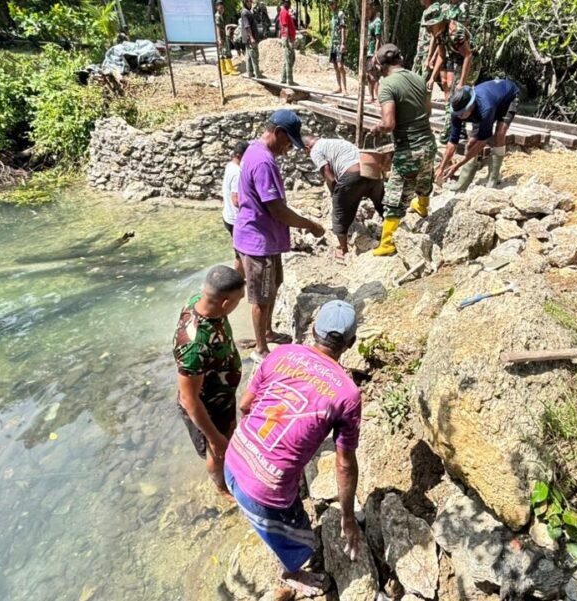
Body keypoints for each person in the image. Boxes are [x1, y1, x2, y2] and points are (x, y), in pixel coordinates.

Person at [224, 300, 363, 596]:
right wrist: (348, 519)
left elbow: (245, 405)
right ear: (350, 343)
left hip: (232, 457)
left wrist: (262, 449)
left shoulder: (282, 353)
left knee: (277, 503)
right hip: (265, 491)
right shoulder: (347, 394)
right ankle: (291, 572)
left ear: (313, 331)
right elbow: (344, 464)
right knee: (302, 542)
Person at [233, 110, 325, 361]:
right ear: (278, 132)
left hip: (265, 236)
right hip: (258, 240)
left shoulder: (254, 150)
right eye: (288, 142)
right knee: (261, 298)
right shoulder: (264, 161)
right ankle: (261, 349)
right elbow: (278, 210)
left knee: (273, 285)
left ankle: (268, 332)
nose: (288, 148)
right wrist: (310, 225)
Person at [173, 265, 246, 497]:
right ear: (225, 303)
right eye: (239, 300)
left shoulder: (200, 301)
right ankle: (222, 488)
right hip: (207, 407)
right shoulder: (194, 347)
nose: (239, 304)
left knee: (228, 436)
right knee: (217, 451)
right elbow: (189, 399)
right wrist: (214, 438)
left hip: (221, 396)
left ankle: (231, 466)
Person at [367, 44, 435, 256]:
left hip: (409, 149)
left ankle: (387, 243)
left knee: (394, 196)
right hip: (428, 143)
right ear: (401, 58)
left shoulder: (387, 85)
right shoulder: (419, 79)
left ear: (380, 65)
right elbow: (428, 111)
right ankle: (422, 207)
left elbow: (389, 123)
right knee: (424, 180)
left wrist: (378, 128)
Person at [305, 135, 385, 258]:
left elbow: (329, 176)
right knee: (382, 206)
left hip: (352, 175)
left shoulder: (315, 150)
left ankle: (343, 250)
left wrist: (335, 194)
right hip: (371, 172)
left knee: (339, 213)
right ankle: (394, 232)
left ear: (307, 148)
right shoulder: (338, 141)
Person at [436, 80, 522, 191]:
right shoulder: (456, 112)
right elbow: (452, 142)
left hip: (508, 97)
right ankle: (463, 182)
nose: (459, 117)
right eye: (457, 114)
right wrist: (442, 167)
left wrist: (457, 165)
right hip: (490, 101)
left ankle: (493, 178)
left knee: (500, 134)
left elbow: (482, 141)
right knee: (471, 143)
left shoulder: (485, 109)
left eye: (462, 114)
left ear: (470, 106)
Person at [423, 2, 479, 142]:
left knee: (457, 94)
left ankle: (452, 131)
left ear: (439, 22)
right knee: (451, 92)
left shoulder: (455, 32)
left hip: (470, 61)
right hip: (457, 58)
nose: (429, 29)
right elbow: (442, 56)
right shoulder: (440, 34)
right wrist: (432, 77)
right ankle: (457, 129)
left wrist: (461, 82)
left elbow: (468, 56)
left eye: (431, 25)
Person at [222, 141, 249, 275]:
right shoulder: (237, 172)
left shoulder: (229, 166)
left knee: (239, 252)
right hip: (235, 219)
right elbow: (236, 200)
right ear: (239, 156)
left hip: (227, 216)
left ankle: (239, 278)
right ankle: (239, 279)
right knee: (242, 253)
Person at [410, 0, 436, 78]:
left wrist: (430, 56)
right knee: (413, 77)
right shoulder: (425, 11)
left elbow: (434, 35)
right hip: (420, 50)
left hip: (427, 51)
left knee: (424, 79)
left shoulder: (434, 10)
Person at [328, 0, 347, 95]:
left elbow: (343, 28)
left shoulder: (340, 14)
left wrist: (343, 43)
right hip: (333, 44)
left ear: (336, 3)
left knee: (340, 66)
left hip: (339, 43)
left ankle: (344, 88)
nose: (331, 5)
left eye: (332, 3)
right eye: (330, 4)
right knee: (335, 65)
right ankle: (339, 86)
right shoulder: (333, 15)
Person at [364, 4, 382, 102]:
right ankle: (371, 97)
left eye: (368, 10)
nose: (367, 13)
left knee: (373, 76)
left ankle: (379, 99)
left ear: (373, 9)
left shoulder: (377, 21)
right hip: (367, 52)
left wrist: (376, 53)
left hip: (372, 53)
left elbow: (378, 39)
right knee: (368, 75)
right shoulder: (369, 21)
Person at [241, 0, 262, 78]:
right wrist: (252, 38)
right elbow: (247, 26)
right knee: (254, 55)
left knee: (249, 56)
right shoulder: (245, 12)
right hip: (250, 39)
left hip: (248, 38)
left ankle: (250, 72)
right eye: (249, 2)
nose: (251, 3)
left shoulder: (248, 12)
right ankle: (257, 74)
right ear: (245, 2)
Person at [278, 0, 298, 86]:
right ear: (284, 3)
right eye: (287, 2)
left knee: (288, 58)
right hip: (287, 38)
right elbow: (285, 27)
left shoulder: (286, 12)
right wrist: (289, 39)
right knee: (290, 59)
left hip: (288, 37)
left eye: (289, 2)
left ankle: (283, 78)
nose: (289, 4)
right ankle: (289, 80)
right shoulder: (284, 12)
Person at [215, 2, 237, 76]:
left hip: (222, 37)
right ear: (217, 7)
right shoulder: (218, 16)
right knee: (227, 53)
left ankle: (223, 69)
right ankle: (230, 69)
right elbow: (218, 28)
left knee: (222, 54)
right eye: (220, 8)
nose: (222, 9)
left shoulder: (219, 15)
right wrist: (219, 38)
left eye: (223, 8)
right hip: (222, 38)